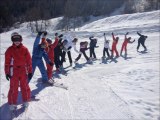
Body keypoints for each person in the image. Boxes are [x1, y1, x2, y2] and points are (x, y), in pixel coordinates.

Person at [4, 32, 32, 111]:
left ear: (21, 39)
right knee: (13, 87)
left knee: (24, 86)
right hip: (14, 71)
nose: (17, 41)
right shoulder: (9, 50)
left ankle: (26, 100)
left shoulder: (25, 49)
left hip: (23, 70)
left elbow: (29, 61)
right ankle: (12, 102)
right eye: (14, 39)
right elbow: (7, 62)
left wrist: (30, 71)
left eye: (18, 39)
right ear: (12, 40)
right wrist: (7, 72)